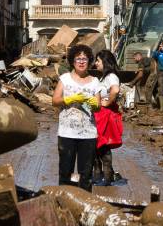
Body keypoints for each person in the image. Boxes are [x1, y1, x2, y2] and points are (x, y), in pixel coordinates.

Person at [52, 45, 101, 191]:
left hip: (88, 134)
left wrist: (95, 104)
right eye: (78, 58)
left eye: (84, 59)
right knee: (65, 172)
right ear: (73, 61)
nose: (81, 62)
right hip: (67, 133)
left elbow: (98, 106)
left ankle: (85, 205)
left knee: (86, 174)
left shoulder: (94, 81)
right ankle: (64, 204)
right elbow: (55, 101)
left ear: (89, 61)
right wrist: (69, 99)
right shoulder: (65, 79)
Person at [93, 50, 123, 186]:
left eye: (98, 61)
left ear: (104, 62)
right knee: (96, 146)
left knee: (103, 145)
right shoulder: (104, 77)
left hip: (105, 115)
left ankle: (106, 178)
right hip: (101, 114)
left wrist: (108, 102)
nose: (96, 63)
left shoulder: (111, 76)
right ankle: (100, 175)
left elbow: (115, 90)